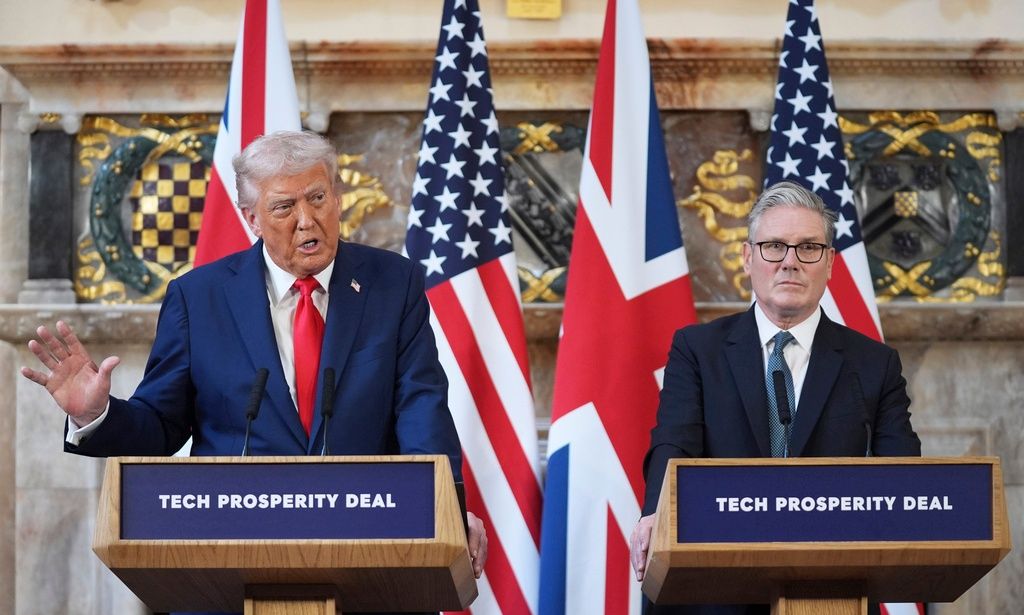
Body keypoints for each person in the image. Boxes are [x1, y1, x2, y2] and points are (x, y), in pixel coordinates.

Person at [21, 130, 487, 614]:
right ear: (252, 219)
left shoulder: (393, 283)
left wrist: (443, 511)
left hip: (374, 569)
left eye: (318, 198)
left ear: (337, 197)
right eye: (284, 207)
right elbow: (161, 425)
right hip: (228, 575)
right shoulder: (199, 298)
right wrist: (95, 414)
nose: (307, 220)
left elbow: (421, 408)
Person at [629, 181, 921, 615]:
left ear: (830, 263)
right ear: (748, 258)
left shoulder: (875, 363)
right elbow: (675, 441)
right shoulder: (698, 349)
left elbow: (904, 477)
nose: (790, 262)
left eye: (808, 248)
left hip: (830, 589)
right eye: (774, 246)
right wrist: (658, 512)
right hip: (713, 586)